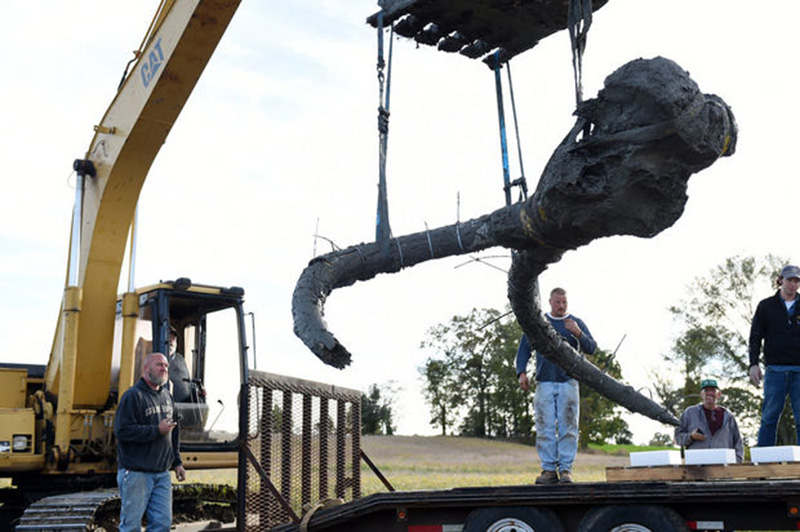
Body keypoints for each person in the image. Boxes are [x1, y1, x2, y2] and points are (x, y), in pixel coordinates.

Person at [516, 287, 596, 484]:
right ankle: (549, 470)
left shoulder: (575, 323)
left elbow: (592, 348)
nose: (561, 306)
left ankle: (566, 469)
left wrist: (578, 333)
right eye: (557, 302)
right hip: (544, 381)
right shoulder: (540, 323)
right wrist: (522, 372)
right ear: (550, 302)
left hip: (569, 381)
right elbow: (524, 348)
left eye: (564, 303)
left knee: (569, 426)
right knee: (544, 426)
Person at [114, 352, 187, 532]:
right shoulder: (133, 396)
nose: (164, 369)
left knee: (162, 524)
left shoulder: (167, 397)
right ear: (146, 369)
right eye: (159, 365)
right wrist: (156, 430)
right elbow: (122, 431)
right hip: (136, 473)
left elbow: (173, 433)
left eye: (166, 366)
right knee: (131, 526)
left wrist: (177, 462)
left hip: (162, 474)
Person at [749, 264, 800, 446]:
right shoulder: (766, 306)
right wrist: (753, 364)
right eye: (789, 280)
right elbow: (755, 337)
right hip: (775, 370)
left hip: (799, 370)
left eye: (796, 281)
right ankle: (764, 461)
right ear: (780, 280)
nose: (792, 285)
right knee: (769, 417)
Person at [674, 379, 744, 462]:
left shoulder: (728, 416)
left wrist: (737, 462)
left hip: (723, 468)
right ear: (701, 394)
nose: (710, 393)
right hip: (697, 468)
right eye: (706, 390)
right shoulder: (689, 413)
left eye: (713, 391)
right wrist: (691, 436)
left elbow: (738, 442)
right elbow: (677, 438)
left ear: (718, 394)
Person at [167, 326, 191, 403]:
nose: (171, 341)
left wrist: (195, 392)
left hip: (184, 404)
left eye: (173, 339)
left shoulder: (180, 358)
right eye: (168, 337)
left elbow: (187, 380)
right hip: (168, 404)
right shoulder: (157, 359)